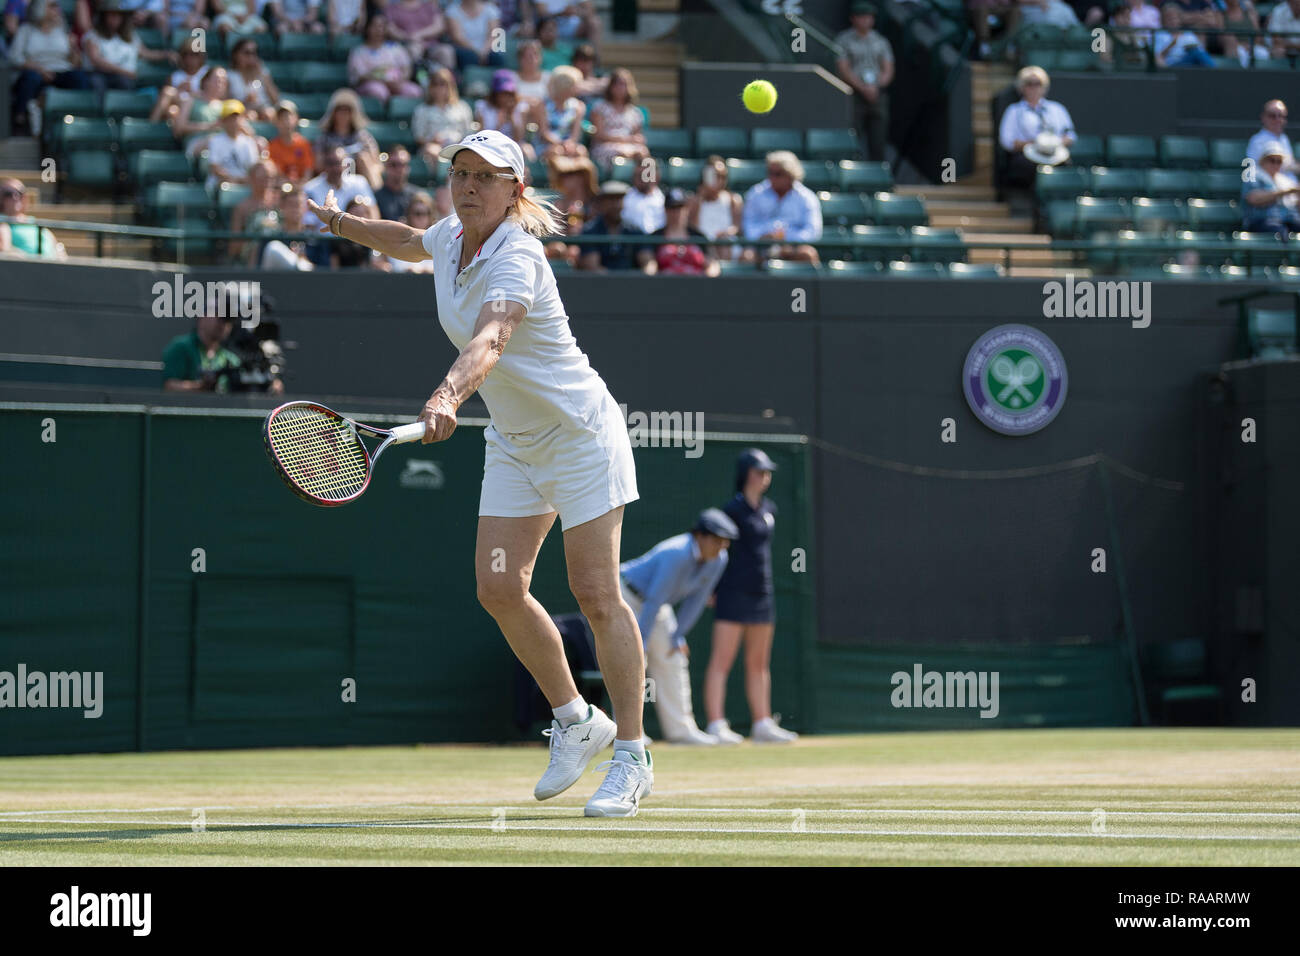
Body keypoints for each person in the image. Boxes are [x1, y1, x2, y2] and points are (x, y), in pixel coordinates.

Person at [305, 127, 652, 816]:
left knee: (596, 592)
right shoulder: (448, 239)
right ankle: (578, 721)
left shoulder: (516, 258)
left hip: (582, 437)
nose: (467, 186)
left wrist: (446, 396)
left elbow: (491, 337)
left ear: (513, 190)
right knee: (498, 587)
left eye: (485, 177)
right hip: (516, 443)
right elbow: (405, 238)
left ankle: (634, 756)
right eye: (460, 172)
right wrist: (342, 221)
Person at [619, 509, 739, 746]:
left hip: (657, 605)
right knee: (632, 661)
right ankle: (632, 732)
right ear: (700, 537)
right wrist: (640, 642)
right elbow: (653, 599)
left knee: (674, 658)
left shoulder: (719, 559)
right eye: (717, 540)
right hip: (626, 596)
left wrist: (678, 635)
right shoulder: (675, 553)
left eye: (725, 542)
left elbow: (697, 599)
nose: (721, 546)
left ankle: (681, 731)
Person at [704, 449, 797, 745]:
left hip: (762, 594)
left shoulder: (769, 509)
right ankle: (716, 724)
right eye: (758, 471)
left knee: (758, 663)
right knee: (722, 661)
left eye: (767, 472)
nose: (764, 477)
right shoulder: (732, 510)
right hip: (733, 593)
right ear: (745, 474)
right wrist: (713, 589)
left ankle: (762, 723)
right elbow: (719, 552)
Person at [9, 0, 90, 136]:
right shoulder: (26, 30)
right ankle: (20, 118)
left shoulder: (62, 30)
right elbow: (15, 57)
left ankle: (81, 117)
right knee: (30, 78)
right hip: (35, 71)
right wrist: (39, 69)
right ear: (40, 9)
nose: (57, 9)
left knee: (79, 77)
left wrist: (74, 47)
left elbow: (76, 62)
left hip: (61, 71)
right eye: (52, 6)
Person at [997, 66, 1077, 190]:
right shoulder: (1014, 111)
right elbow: (1007, 141)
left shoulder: (1057, 109)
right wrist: (1035, 144)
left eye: (1038, 83)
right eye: (1029, 84)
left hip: (1054, 154)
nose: (1034, 88)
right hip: (1026, 157)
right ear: (1022, 87)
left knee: (1067, 166)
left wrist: (1051, 143)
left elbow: (1070, 135)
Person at [835, 1, 894, 163]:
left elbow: (888, 69)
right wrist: (862, 88)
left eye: (869, 17)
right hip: (854, 95)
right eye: (861, 17)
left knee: (878, 139)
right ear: (853, 19)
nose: (865, 21)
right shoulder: (844, 40)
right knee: (853, 137)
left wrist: (876, 86)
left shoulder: (881, 41)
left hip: (877, 95)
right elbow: (843, 68)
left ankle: (879, 180)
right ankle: (852, 175)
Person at [741, 150, 823, 265]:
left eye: (778, 174)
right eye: (770, 172)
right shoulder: (756, 193)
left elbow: (812, 231)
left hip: (793, 249)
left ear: (790, 175)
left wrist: (788, 241)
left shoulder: (807, 197)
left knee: (808, 254)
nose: (772, 178)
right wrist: (763, 236)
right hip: (762, 248)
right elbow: (749, 225)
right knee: (746, 257)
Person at [303, 144, 376, 264]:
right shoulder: (310, 188)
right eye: (330, 163)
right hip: (324, 246)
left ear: (345, 164)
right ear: (324, 165)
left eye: (338, 163)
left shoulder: (360, 183)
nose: (335, 168)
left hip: (358, 243)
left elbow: (373, 213)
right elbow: (309, 227)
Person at [638, 188, 719, 277]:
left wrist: (708, 281)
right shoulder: (655, 237)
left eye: (680, 207)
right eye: (672, 208)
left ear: (687, 209)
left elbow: (712, 266)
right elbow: (648, 265)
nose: (676, 213)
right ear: (665, 210)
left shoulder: (699, 236)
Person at [315, 88, 382, 188]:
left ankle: (376, 193)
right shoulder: (324, 138)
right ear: (334, 113)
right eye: (340, 111)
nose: (343, 115)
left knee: (364, 158)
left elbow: (376, 162)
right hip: (332, 177)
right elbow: (318, 164)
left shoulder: (363, 137)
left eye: (347, 111)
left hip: (359, 180)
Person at [349, 13, 421, 103]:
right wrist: (383, 81)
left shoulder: (395, 47)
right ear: (367, 28)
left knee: (414, 91)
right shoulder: (358, 52)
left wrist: (401, 80)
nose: (379, 30)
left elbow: (406, 68)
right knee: (379, 91)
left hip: (396, 83)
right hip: (371, 84)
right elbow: (359, 77)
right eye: (375, 26)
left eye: (382, 26)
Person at [587, 67, 647, 172]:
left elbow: (637, 136)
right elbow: (598, 135)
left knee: (643, 153)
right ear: (611, 87)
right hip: (605, 147)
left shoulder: (636, 112)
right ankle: (616, 185)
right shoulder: (599, 108)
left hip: (629, 147)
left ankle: (648, 186)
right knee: (621, 154)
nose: (620, 88)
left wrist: (638, 139)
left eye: (624, 84)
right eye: (617, 84)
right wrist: (624, 140)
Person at [411, 66, 474, 165]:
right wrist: (432, 140)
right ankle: (444, 179)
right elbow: (418, 137)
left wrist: (458, 143)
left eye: (443, 84)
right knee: (433, 151)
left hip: (457, 146)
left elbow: (468, 134)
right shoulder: (422, 109)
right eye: (435, 84)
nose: (439, 88)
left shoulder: (463, 108)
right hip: (434, 147)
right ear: (430, 87)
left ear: (450, 86)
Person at [576, 180, 644, 271]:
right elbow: (593, 267)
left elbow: (648, 262)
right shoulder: (590, 230)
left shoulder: (634, 230)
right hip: (601, 284)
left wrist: (644, 276)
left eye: (619, 199)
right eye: (611, 199)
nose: (615, 205)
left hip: (633, 284)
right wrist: (617, 282)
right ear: (601, 203)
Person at [687, 155, 744, 262]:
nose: (720, 181)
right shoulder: (694, 201)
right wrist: (700, 198)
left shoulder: (734, 199)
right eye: (715, 176)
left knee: (724, 243)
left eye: (723, 177)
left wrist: (726, 233)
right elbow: (693, 228)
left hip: (727, 246)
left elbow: (737, 228)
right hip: (703, 247)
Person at [1242, 141, 1300, 234]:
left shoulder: (1285, 180)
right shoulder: (1254, 175)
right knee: (1280, 232)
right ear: (1263, 161)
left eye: (1279, 161)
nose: (1275, 165)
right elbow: (1253, 199)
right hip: (1261, 221)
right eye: (1272, 160)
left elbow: (1294, 206)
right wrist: (1284, 192)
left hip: (1287, 221)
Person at [229, 159, 280, 264]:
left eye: (271, 177)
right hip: (252, 257)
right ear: (251, 179)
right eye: (263, 177)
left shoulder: (281, 202)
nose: (268, 181)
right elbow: (234, 247)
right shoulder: (242, 208)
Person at [475, 70, 534, 160]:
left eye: (509, 94)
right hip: (490, 146)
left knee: (527, 150)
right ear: (495, 94)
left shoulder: (520, 107)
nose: (506, 97)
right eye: (503, 93)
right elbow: (483, 139)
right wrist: (499, 124)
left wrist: (512, 119)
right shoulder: (483, 107)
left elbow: (519, 138)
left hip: (513, 146)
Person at [206, 99, 262, 192]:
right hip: (221, 186)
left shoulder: (248, 142)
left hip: (244, 183)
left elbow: (254, 168)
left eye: (236, 118)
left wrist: (242, 180)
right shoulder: (215, 140)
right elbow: (214, 168)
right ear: (223, 121)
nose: (233, 122)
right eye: (229, 119)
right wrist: (234, 179)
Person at [81, 1, 138, 93]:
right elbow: (96, 60)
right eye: (111, 15)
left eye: (119, 15)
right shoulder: (93, 35)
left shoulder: (128, 36)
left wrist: (165, 54)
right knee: (97, 83)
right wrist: (124, 71)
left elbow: (144, 52)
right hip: (96, 74)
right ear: (103, 16)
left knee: (125, 83)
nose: (115, 19)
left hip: (118, 76)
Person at [0, 178, 65, 258]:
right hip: (27, 267)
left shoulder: (34, 222)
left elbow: (58, 246)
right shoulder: (2, 224)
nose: (15, 196)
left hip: (53, 266)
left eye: (20, 193)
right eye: (9, 194)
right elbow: (4, 251)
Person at [260, 182, 315, 269]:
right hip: (277, 281)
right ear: (282, 207)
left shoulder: (313, 239)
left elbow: (322, 268)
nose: (295, 209)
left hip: (308, 281)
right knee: (273, 248)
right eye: (291, 204)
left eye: (299, 204)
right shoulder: (271, 237)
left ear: (305, 208)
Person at [386, 0, 454, 69]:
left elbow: (439, 26)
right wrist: (408, 37)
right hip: (407, 44)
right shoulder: (392, 8)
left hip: (432, 45)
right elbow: (391, 29)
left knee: (446, 51)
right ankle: (415, 77)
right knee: (414, 50)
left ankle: (447, 78)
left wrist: (420, 34)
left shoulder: (429, 5)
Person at [226, 36, 281, 120]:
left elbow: (275, 99)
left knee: (269, 113)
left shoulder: (263, 72)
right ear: (236, 55)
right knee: (251, 115)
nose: (251, 57)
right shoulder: (229, 76)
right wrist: (244, 102)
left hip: (264, 111)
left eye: (254, 53)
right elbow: (226, 102)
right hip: (241, 113)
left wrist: (262, 76)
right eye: (247, 53)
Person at [445, 0, 507, 72]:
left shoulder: (491, 9)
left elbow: (493, 35)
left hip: (487, 49)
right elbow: (457, 37)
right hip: (464, 50)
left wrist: (484, 52)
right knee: (469, 57)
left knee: (497, 58)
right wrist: (476, 52)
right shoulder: (452, 10)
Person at [385, 188, 436, 271]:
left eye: (425, 213)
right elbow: (395, 267)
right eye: (417, 213)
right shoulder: (398, 237)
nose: (421, 217)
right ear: (409, 215)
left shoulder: (437, 239)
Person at [267, 100, 315, 183]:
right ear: (276, 122)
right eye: (281, 118)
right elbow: (275, 175)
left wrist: (300, 186)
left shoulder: (303, 144)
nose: (286, 122)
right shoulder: (272, 146)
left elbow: (308, 171)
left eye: (288, 117)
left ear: (296, 119)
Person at [1247, 100, 1298, 174]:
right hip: (1270, 184)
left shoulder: (1284, 138)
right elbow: (1260, 171)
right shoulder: (1257, 141)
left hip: (1291, 183)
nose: (1278, 120)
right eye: (1272, 116)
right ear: (1263, 117)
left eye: (1281, 116)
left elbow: (1290, 165)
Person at [621, 156, 664, 234]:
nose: (642, 179)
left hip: (658, 243)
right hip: (632, 243)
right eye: (638, 175)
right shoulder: (624, 198)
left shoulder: (666, 201)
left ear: (656, 177)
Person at [374, 144, 417, 220]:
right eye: (394, 165)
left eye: (403, 164)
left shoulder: (416, 196)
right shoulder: (375, 197)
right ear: (386, 166)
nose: (399, 169)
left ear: (408, 168)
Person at [512, 38, 549, 104]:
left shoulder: (548, 77)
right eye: (527, 55)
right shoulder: (511, 77)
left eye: (535, 54)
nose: (532, 59)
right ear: (519, 58)